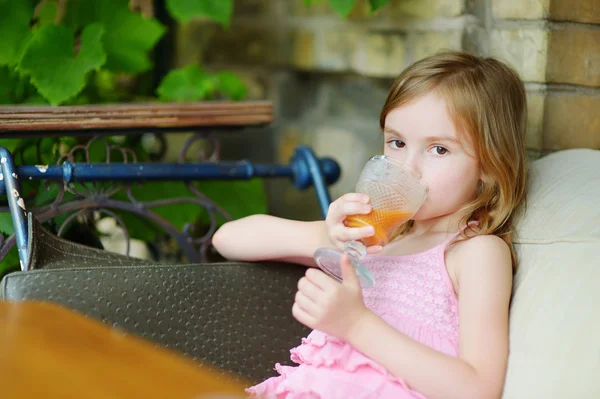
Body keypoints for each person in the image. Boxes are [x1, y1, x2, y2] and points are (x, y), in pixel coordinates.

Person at [212, 50, 527, 399]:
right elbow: (228, 238)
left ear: (490, 164)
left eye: (438, 149)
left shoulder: (474, 251)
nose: (408, 167)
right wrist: (324, 235)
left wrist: (356, 324)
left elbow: (478, 389)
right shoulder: (376, 239)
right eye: (397, 142)